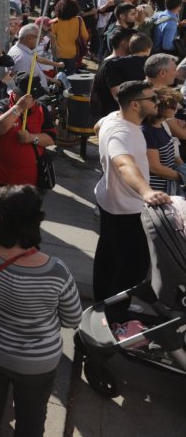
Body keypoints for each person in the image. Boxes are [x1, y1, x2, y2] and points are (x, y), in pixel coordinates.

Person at [0, 185, 81, 437]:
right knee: (31, 419)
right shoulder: (57, 272)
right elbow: (72, 318)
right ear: (35, 220)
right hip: (36, 364)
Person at [94, 80, 170, 308]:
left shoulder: (112, 118)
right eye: (152, 99)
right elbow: (124, 164)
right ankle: (115, 318)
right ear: (135, 105)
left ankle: (102, 306)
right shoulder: (121, 133)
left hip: (110, 204)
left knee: (108, 259)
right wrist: (147, 191)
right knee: (131, 269)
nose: (158, 102)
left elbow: (97, 127)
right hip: (128, 212)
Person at [0, 73, 57, 189]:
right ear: (16, 94)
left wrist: (32, 138)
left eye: (35, 97)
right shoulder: (2, 105)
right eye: (30, 97)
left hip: (27, 181)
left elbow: (51, 139)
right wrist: (19, 108)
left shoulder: (41, 109)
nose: (33, 101)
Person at [142, 85, 184, 195]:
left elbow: (173, 157)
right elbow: (155, 168)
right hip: (156, 191)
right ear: (158, 108)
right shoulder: (147, 132)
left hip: (168, 187)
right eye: (172, 106)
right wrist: (181, 175)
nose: (176, 108)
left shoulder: (163, 125)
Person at [51, 0, 89, 74]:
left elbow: (50, 37)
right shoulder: (79, 20)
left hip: (58, 53)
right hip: (73, 53)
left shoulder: (55, 21)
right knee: (71, 75)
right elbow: (85, 36)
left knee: (59, 75)